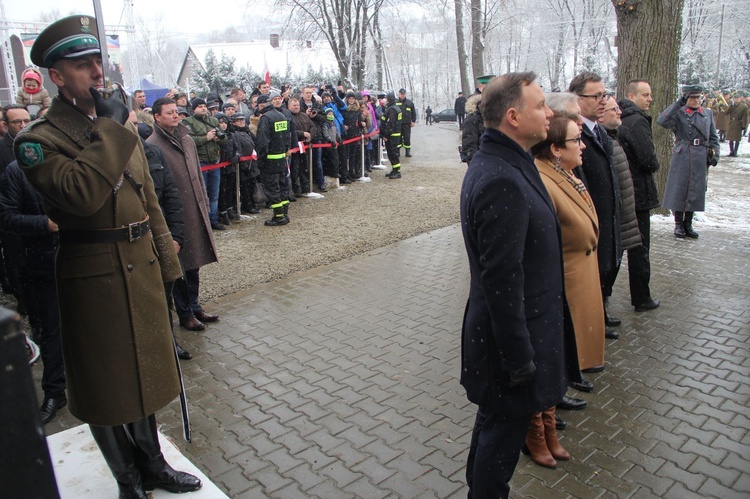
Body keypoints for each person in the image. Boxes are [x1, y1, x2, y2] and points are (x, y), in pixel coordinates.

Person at [14, 16, 200, 498]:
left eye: (98, 60)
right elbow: (80, 195)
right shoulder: (38, 139)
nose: (98, 72)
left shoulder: (115, 124)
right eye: (82, 65)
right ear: (56, 76)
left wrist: (168, 262)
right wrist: (111, 128)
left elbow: (147, 198)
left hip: (140, 263)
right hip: (91, 275)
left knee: (146, 373)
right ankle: (128, 480)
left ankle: (154, 463)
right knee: (105, 384)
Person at [460, 72, 578, 498]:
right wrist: (519, 357)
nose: (550, 113)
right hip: (509, 344)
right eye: (541, 105)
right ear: (513, 116)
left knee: (493, 430)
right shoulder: (500, 176)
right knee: (500, 446)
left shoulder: (509, 161)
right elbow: (501, 279)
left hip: (513, 337)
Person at [530, 113, 603, 468]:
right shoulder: (542, 178)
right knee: (547, 360)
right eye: (577, 140)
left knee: (556, 360)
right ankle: (537, 430)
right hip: (559, 282)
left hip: (576, 274)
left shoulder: (565, 174)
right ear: (556, 149)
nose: (583, 145)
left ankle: (548, 424)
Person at [0, 159, 66, 422]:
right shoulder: (17, 171)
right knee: (52, 330)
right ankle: (55, 391)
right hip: (43, 265)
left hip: (83, 261)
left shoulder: (72, 162)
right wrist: (44, 224)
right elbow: (6, 216)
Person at [148, 97, 220, 332]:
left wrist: (204, 200)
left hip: (194, 207)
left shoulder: (187, 138)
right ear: (157, 117)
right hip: (174, 214)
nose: (174, 116)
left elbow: (198, 174)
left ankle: (195, 305)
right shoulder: (153, 144)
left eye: (176, 112)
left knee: (195, 262)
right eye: (169, 113)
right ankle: (184, 313)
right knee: (178, 266)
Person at [569, 71, 621, 350]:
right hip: (592, 218)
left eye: (605, 94)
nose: (604, 100)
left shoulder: (599, 130)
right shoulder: (574, 133)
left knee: (607, 269)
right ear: (578, 98)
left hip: (608, 214)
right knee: (593, 275)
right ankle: (589, 328)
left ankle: (599, 316)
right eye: (596, 96)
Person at [618, 80, 661, 312]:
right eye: (645, 94)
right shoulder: (636, 122)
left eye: (650, 94)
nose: (650, 98)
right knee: (640, 248)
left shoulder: (623, 118)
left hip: (627, 191)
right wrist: (654, 163)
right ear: (631, 96)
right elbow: (648, 160)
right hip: (638, 193)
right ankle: (642, 297)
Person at [658, 84, 719, 238]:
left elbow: (713, 137)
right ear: (686, 98)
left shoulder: (707, 114)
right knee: (680, 189)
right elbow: (662, 120)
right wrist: (679, 103)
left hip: (701, 156)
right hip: (683, 154)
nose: (695, 100)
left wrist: (715, 154)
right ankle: (678, 224)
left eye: (698, 97)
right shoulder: (679, 113)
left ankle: (688, 224)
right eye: (692, 97)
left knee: (695, 190)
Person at [182, 97, 228, 230]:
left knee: (214, 193)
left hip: (214, 162)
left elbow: (225, 139)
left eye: (204, 106)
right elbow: (187, 140)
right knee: (202, 194)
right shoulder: (187, 122)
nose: (203, 108)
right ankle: (203, 222)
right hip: (199, 163)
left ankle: (213, 219)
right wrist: (206, 138)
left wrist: (219, 138)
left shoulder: (213, 121)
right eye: (199, 106)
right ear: (193, 109)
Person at [256, 94, 292, 226]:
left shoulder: (266, 118)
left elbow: (262, 142)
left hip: (270, 160)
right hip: (282, 158)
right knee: (283, 186)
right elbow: (287, 137)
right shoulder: (281, 115)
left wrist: (260, 160)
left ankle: (279, 216)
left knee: (272, 188)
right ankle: (284, 214)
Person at [380, 93, 402, 179]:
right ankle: (394, 169)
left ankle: (397, 171)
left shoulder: (392, 109)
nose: (385, 100)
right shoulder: (395, 108)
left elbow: (390, 123)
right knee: (392, 153)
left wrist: (386, 135)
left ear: (389, 99)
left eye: (386, 99)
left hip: (392, 135)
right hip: (394, 134)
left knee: (393, 153)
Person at [460, 94, 483, 164]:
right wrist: (475, 165)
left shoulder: (491, 119)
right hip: (480, 162)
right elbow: (469, 145)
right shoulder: (471, 120)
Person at [726, 92, 748, 157]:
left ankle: (735, 151)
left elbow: (745, 117)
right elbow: (726, 112)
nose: (736, 100)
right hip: (731, 123)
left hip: (738, 123)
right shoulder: (732, 105)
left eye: (738, 98)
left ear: (740, 99)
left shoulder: (744, 106)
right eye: (735, 98)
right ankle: (731, 151)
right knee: (730, 138)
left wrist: (744, 126)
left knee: (737, 139)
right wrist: (731, 106)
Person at [396, 88, 416, 156]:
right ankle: (397, 152)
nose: (402, 95)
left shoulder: (409, 102)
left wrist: (413, 121)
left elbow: (413, 112)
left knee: (407, 138)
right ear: (399, 94)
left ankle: (407, 152)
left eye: (403, 94)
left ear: (405, 94)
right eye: (401, 94)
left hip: (407, 124)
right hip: (398, 124)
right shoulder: (396, 103)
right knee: (398, 138)